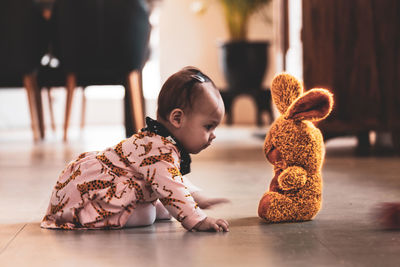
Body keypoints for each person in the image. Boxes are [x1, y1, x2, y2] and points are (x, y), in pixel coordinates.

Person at [41, 66, 229, 232]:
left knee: (164, 206)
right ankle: (94, 215)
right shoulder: (159, 149)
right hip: (85, 200)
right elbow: (170, 184)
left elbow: (171, 177)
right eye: (208, 127)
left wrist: (197, 197)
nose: (213, 135)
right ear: (177, 119)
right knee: (148, 214)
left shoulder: (158, 142)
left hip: (105, 187)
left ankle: (139, 208)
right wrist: (198, 219)